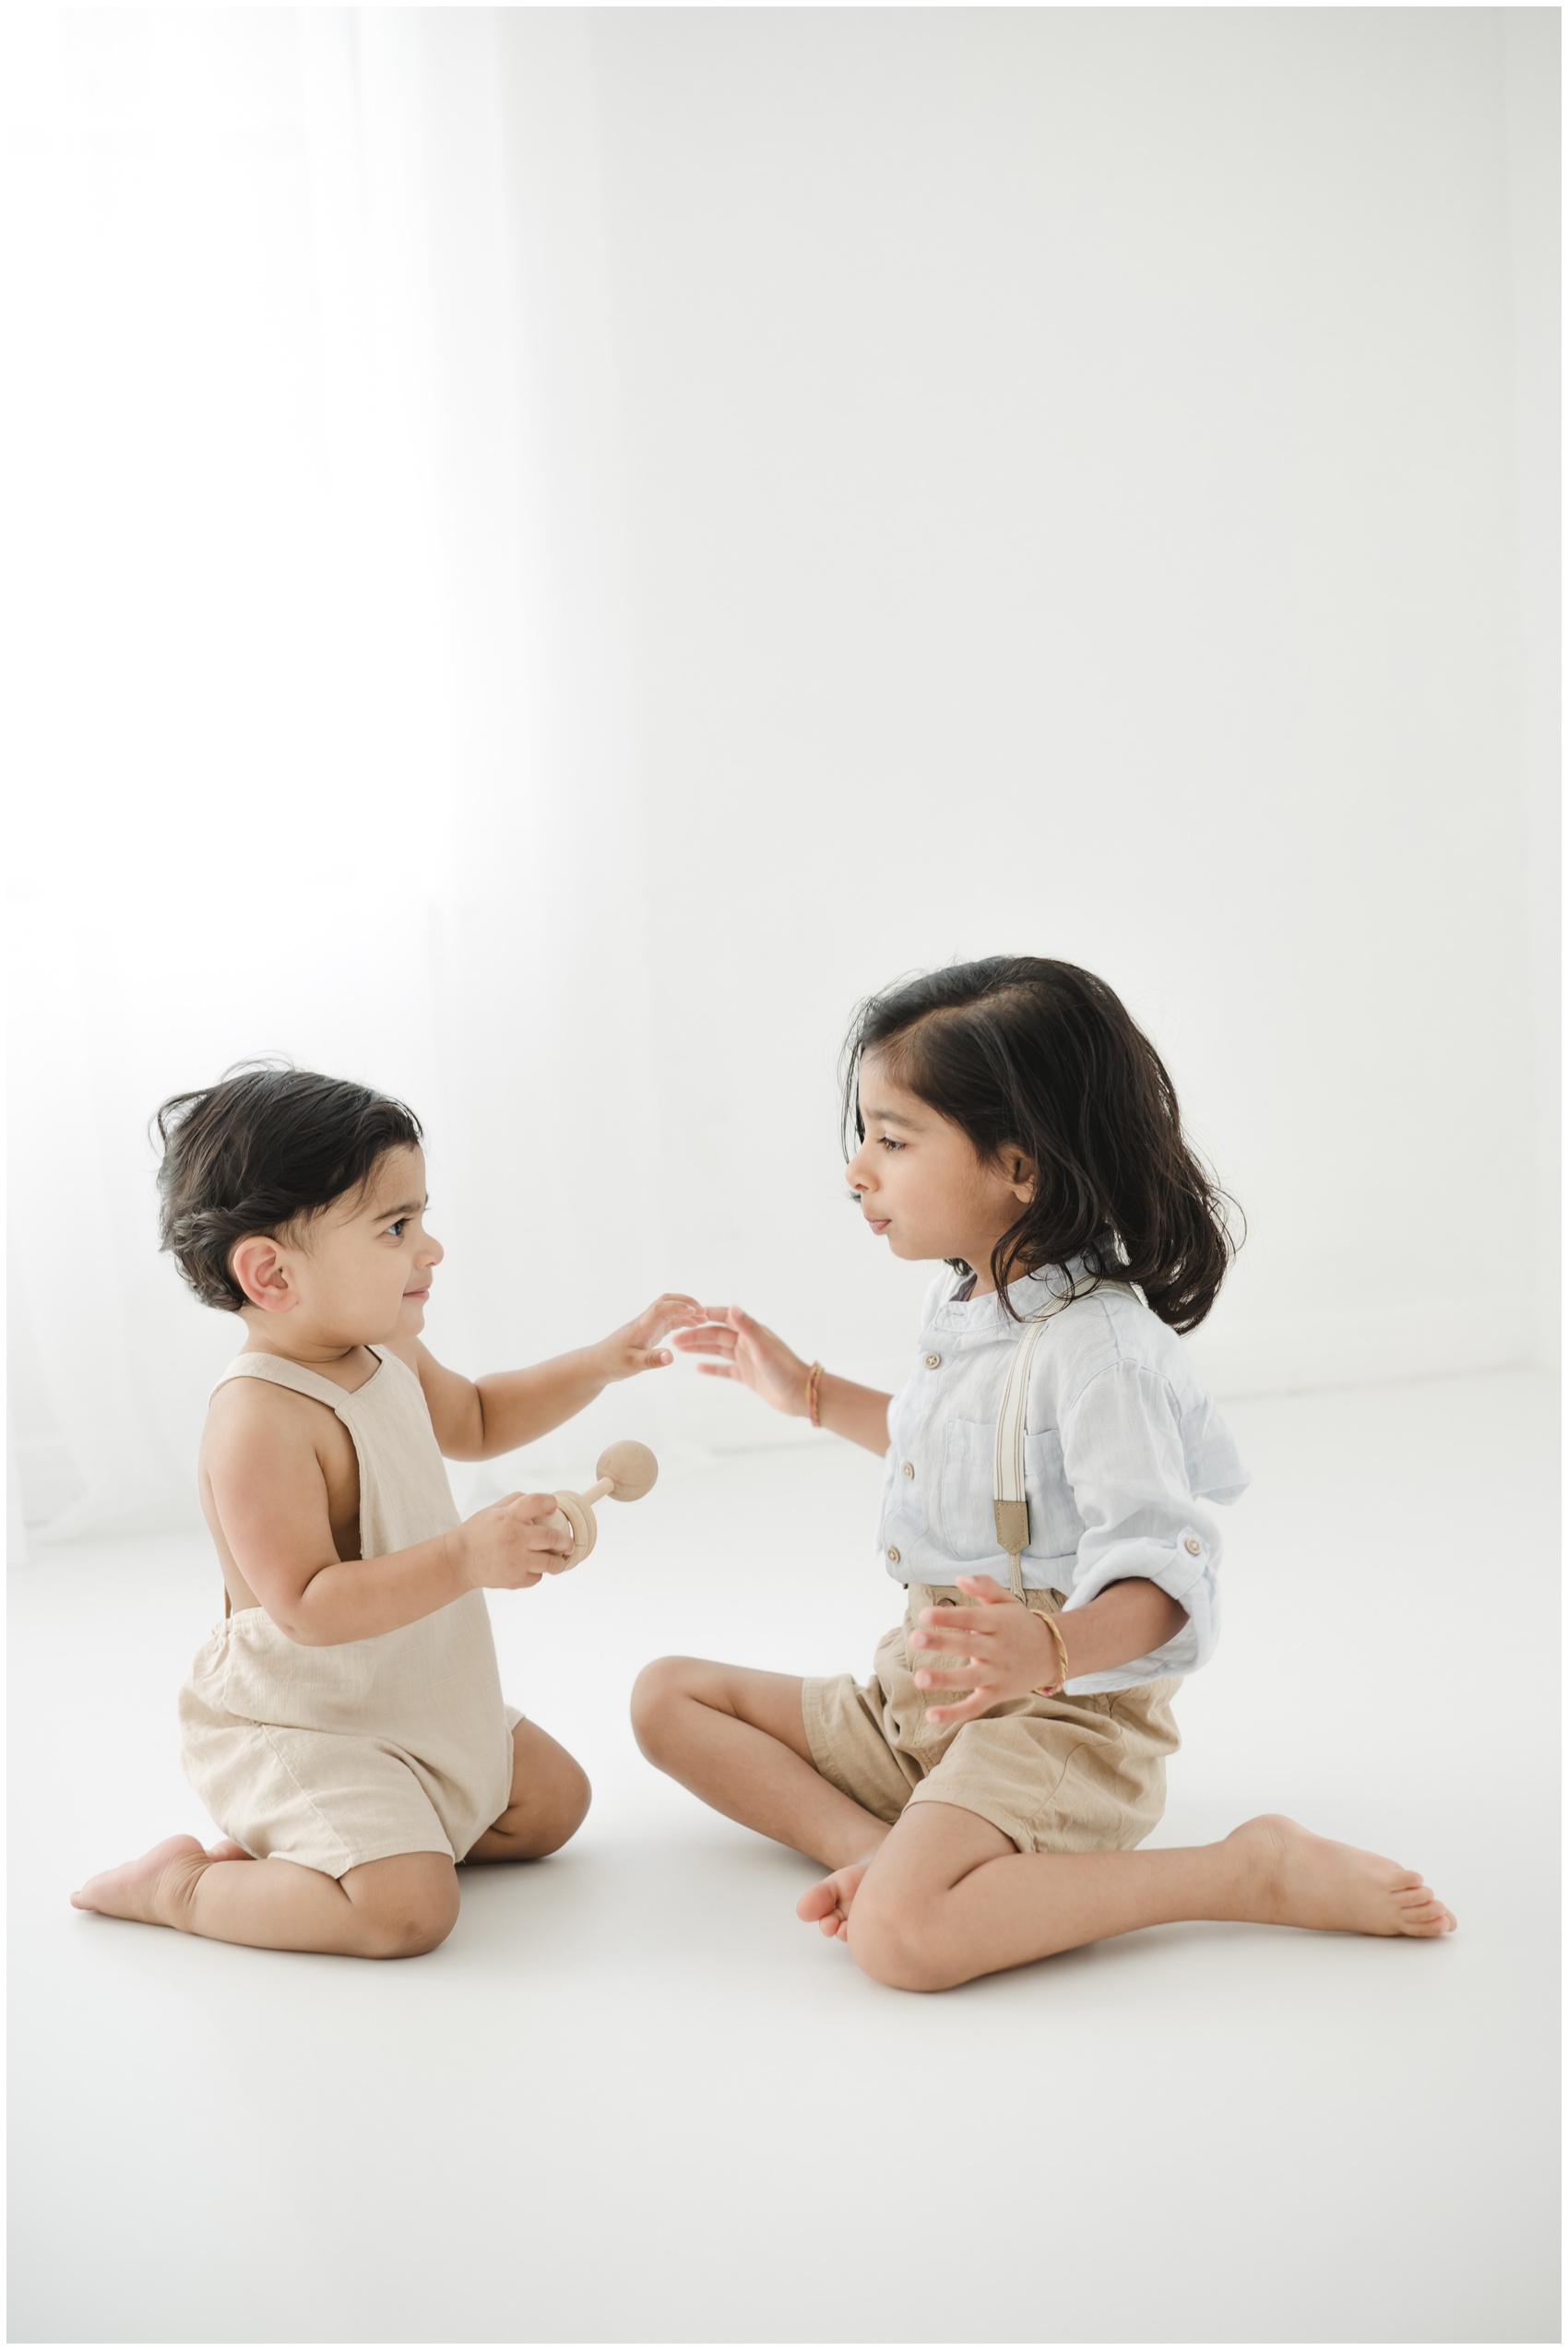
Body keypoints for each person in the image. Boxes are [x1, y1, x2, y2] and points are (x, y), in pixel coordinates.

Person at [635, 956, 1456, 1990]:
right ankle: (878, 1850)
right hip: (923, 1702)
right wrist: (799, 1387)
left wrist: (1050, 1647)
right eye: (862, 1136)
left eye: (891, 1140)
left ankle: (1238, 1870)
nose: (856, 1168)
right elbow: (958, 1451)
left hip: (1056, 1719)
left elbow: (1167, 1575)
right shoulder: (975, 1302)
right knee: (665, 1698)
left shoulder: (1101, 1351)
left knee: (902, 1942)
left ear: (1018, 1170)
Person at [72, 1065, 702, 1959]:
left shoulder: (386, 1348)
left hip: (411, 1686)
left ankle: (368, 1837)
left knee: (554, 1805)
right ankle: (184, 1885)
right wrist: (464, 1558)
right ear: (271, 1273)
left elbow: (477, 1416)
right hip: (314, 1718)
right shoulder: (260, 1419)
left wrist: (599, 1363)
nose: (430, 1248)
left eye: (421, 1217)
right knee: (407, 1913)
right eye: (397, 1227)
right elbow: (306, 1604)